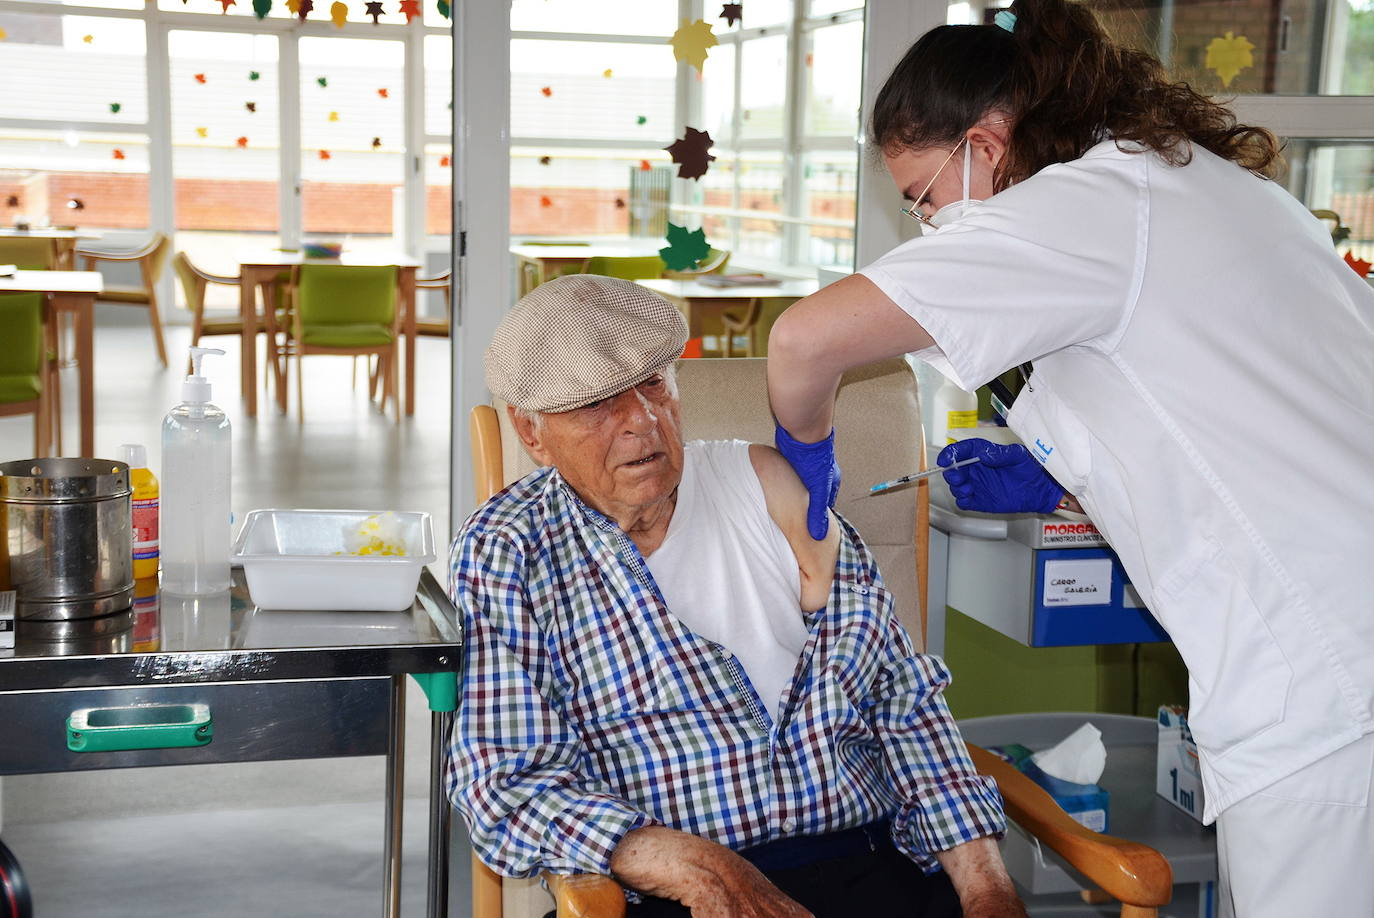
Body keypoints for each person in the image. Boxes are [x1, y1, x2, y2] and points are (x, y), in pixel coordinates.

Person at [764, 0, 1374, 914]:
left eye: (925, 197)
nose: (930, 226)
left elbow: (803, 344)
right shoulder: (1193, 183)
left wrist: (805, 465)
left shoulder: (1080, 205)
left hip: (1326, 675)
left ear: (988, 141)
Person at [448, 274, 1028, 918]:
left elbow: (900, 700)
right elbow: (504, 782)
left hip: (864, 859)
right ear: (532, 435)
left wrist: (986, 891)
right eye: (599, 404)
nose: (642, 421)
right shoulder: (509, 547)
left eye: (654, 384)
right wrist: (699, 867)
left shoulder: (768, 486)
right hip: (668, 884)